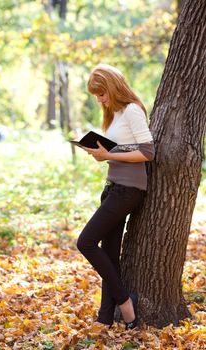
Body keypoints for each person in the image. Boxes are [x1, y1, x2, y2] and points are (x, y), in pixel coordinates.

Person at [76, 64, 155, 329]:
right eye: (96, 96)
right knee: (109, 254)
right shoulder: (117, 113)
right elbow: (122, 149)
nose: (99, 100)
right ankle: (105, 317)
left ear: (112, 87)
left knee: (85, 242)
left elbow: (147, 152)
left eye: (101, 94)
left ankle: (125, 302)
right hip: (113, 187)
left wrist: (108, 154)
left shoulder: (132, 110)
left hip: (128, 191)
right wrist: (102, 151)